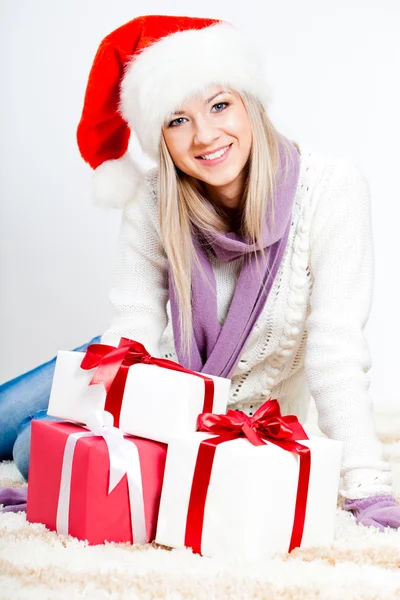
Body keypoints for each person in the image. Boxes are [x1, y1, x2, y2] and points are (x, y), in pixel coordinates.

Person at [1, 14, 399, 532]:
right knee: (28, 428)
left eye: (218, 105)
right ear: (159, 136)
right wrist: (102, 416)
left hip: (227, 417)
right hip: (143, 369)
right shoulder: (151, 200)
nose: (204, 136)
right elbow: (136, 324)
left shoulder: (331, 190)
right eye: (176, 119)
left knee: (35, 448)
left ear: (249, 102)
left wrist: (366, 486)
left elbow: (336, 348)